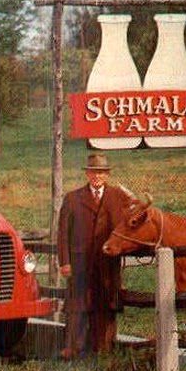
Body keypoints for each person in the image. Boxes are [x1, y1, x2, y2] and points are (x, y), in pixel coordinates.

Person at [57, 153, 133, 359]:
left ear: (107, 175)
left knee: (106, 305)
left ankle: (104, 350)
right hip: (80, 263)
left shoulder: (119, 197)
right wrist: (65, 262)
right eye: (93, 172)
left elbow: (132, 223)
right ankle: (73, 349)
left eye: (101, 172)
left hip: (108, 262)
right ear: (87, 174)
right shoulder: (73, 198)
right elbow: (63, 233)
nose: (97, 176)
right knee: (77, 305)